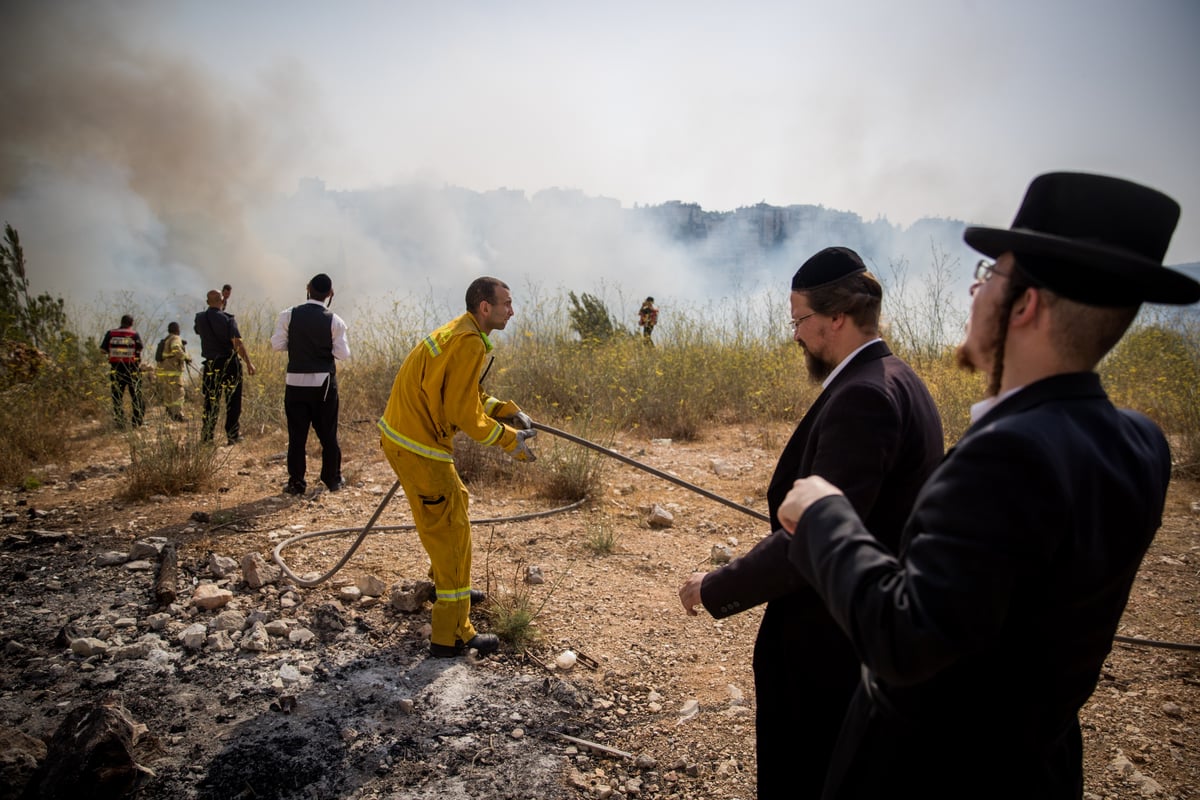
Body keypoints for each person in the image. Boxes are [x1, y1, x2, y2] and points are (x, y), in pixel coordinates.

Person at [776, 172, 1200, 799]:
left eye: (985, 280)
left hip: (937, 774)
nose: (974, 296)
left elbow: (905, 638)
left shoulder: (1010, 455)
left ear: (1022, 305)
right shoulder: (1141, 443)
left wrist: (824, 515)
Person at [676, 247, 944, 799]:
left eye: (800, 320)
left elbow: (817, 538)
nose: (795, 335)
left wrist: (716, 585)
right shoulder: (900, 377)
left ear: (837, 318)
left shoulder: (864, 397)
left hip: (831, 646)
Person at [378, 276, 538, 659]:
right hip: (419, 447)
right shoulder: (467, 342)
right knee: (451, 529)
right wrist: (506, 438)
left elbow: (461, 391)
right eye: (506, 304)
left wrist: (504, 409)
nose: (511, 311)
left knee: (454, 506)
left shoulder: (460, 333)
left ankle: (448, 587)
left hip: (406, 440)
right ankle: (452, 634)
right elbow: (462, 411)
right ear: (486, 307)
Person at [270, 273, 351, 494]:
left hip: (295, 383)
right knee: (328, 434)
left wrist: (298, 347)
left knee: (297, 436)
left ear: (308, 288)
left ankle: (296, 483)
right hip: (324, 385)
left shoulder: (288, 315)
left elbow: (277, 345)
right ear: (330, 294)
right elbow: (342, 354)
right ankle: (331, 479)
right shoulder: (335, 320)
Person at [194, 289, 256, 444]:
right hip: (229, 364)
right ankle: (232, 436)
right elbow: (237, 343)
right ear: (222, 301)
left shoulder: (200, 318)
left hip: (210, 365)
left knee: (210, 401)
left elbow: (198, 331)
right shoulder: (228, 319)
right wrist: (248, 362)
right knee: (233, 402)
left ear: (207, 302)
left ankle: (207, 437)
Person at [99, 314, 145, 429]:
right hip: (132, 369)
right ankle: (137, 422)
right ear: (131, 323)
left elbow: (102, 350)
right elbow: (139, 348)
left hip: (116, 369)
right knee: (136, 395)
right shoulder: (134, 334)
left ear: (121, 322)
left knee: (117, 396)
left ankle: (120, 422)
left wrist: (115, 352)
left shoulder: (111, 333)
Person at [156, 321, 192, 422]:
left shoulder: (167, 339)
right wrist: (186, 357)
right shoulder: (175, 338)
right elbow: (175, 348)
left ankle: (170, 412)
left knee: (168, 392)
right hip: (173, 370)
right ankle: (177, 415)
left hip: (165, 370)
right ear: (177, 329)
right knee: (178, 392)